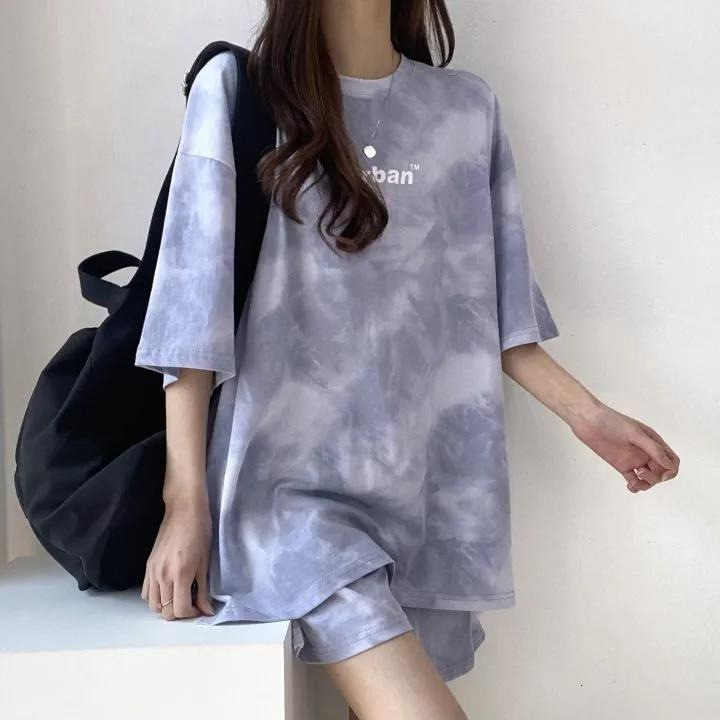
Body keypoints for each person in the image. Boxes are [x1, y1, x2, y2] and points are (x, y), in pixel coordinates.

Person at [133, 1, 680, 718]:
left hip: (427, 497)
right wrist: (185, 503)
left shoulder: (465, 111)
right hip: (287, 504)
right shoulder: (241, 93)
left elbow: (494, 310)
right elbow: (190, 310)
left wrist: (590, 416)